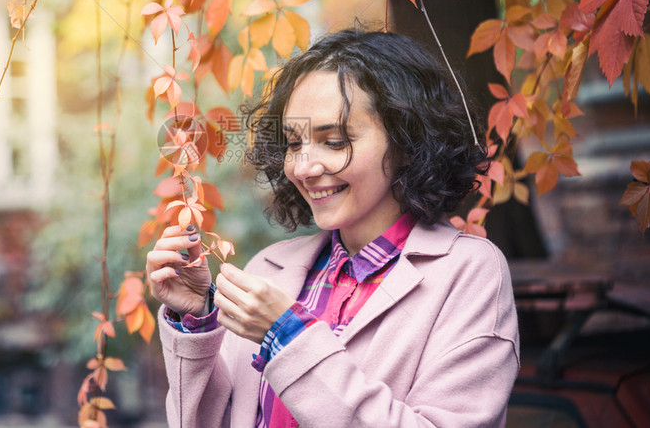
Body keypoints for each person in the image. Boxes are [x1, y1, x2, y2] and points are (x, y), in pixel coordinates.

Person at [146, 29, 519, 427]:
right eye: (293, 143)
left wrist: (288, 336)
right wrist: (199, 318)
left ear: (408, 142)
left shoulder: (469, 273)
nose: (303, 168)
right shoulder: (267, 268)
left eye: (335, 141)